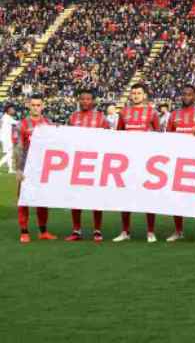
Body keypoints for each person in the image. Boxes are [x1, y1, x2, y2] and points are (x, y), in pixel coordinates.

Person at [165, 85, 195, 243]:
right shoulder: (174, 115)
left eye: (189, 94)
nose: (186, 97)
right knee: (176, 197)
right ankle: (178, 231)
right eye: (184, 94)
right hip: (178, 163)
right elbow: (168, 138)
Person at [113, 83, 161, 243]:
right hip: (127, 161)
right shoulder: (123, 112)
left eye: (139, 93)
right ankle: (125, 231)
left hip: (146, 161)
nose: (135, 95)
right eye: (133, 93)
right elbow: (117, 135)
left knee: (148, 196)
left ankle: (150, 232)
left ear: (144, 95)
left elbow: (159, 135)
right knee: (125, 195)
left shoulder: (152, 113)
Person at [65, 89, 110, 242]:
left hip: (96, 163)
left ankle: (97, 230)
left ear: (93, 101)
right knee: (76, 197)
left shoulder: (101, 118)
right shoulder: (73, 117)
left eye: (88, 99)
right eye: (82, 99)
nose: (85, 101)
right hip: (77, 163)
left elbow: (110, 139)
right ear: (79, 100)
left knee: (95, 197)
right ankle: (76, 230)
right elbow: (67, 139)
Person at [15, 95, 56, 243]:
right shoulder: (22, 125)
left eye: (38, 105)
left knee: (43, 200)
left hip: (43, 168)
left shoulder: (49, 124)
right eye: (33, 105)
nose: (36, 107)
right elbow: (18, 147)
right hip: (26, 168)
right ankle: (24, 231)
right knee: (23, 199)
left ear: (43, 106)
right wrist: (19, 169)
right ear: (28, 105)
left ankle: (43, 231)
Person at [1, 105, 19, 173]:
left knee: (9, 153)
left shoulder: (5, 117)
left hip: (4, 137)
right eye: (12, 109)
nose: (13, 111)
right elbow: (17, 122)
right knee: (10, 153)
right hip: (6, 138)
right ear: (8, 110)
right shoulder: (7, 117)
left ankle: (10, 169)